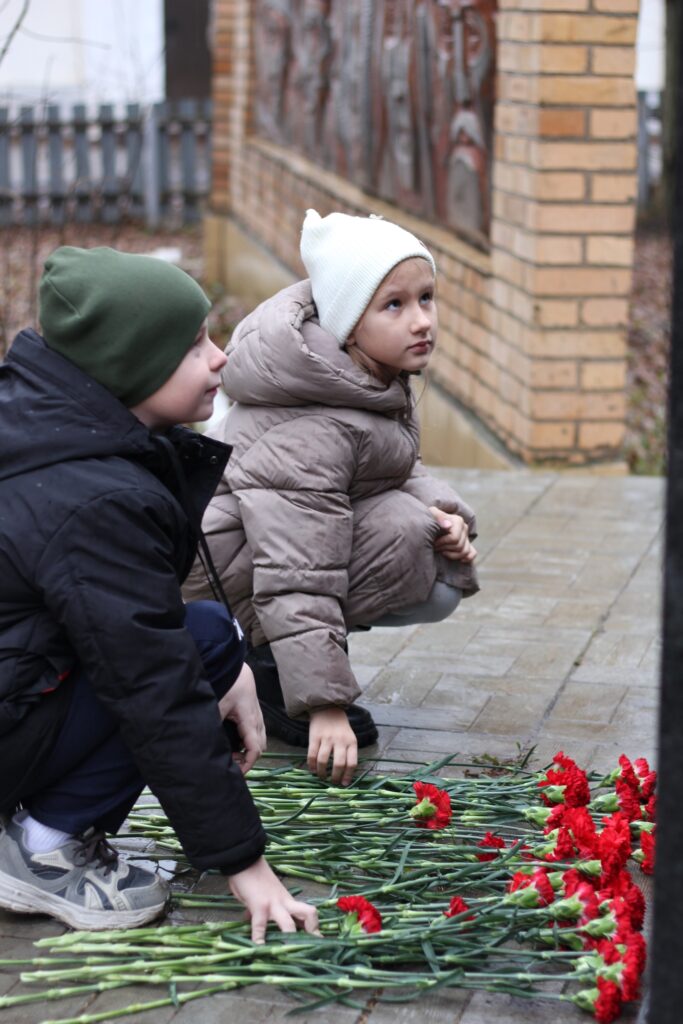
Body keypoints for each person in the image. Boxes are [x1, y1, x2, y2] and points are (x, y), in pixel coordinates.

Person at [0, 246, 319, 941]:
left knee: (203, 631)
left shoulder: (48, 429)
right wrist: (245, 864)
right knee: (186, 649)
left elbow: (124, 618)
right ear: (127, 365)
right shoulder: (93, 500)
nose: (219, 358)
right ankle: (42, 848)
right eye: (191, 346)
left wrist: (229, 660)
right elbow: (153, 688)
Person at [183, 209, 479, 789]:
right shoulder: (314, 422)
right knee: (403, 531)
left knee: (420, 526)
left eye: (426, 298)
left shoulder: (355, 375)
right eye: (393, 305)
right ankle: (261, 669)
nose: (421, 321)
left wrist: (449, 514)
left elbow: (392, 468)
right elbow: (297, 568)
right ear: (347, 320)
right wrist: (325, 706)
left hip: (247, 561)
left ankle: (269, 662)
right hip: (212, 583)